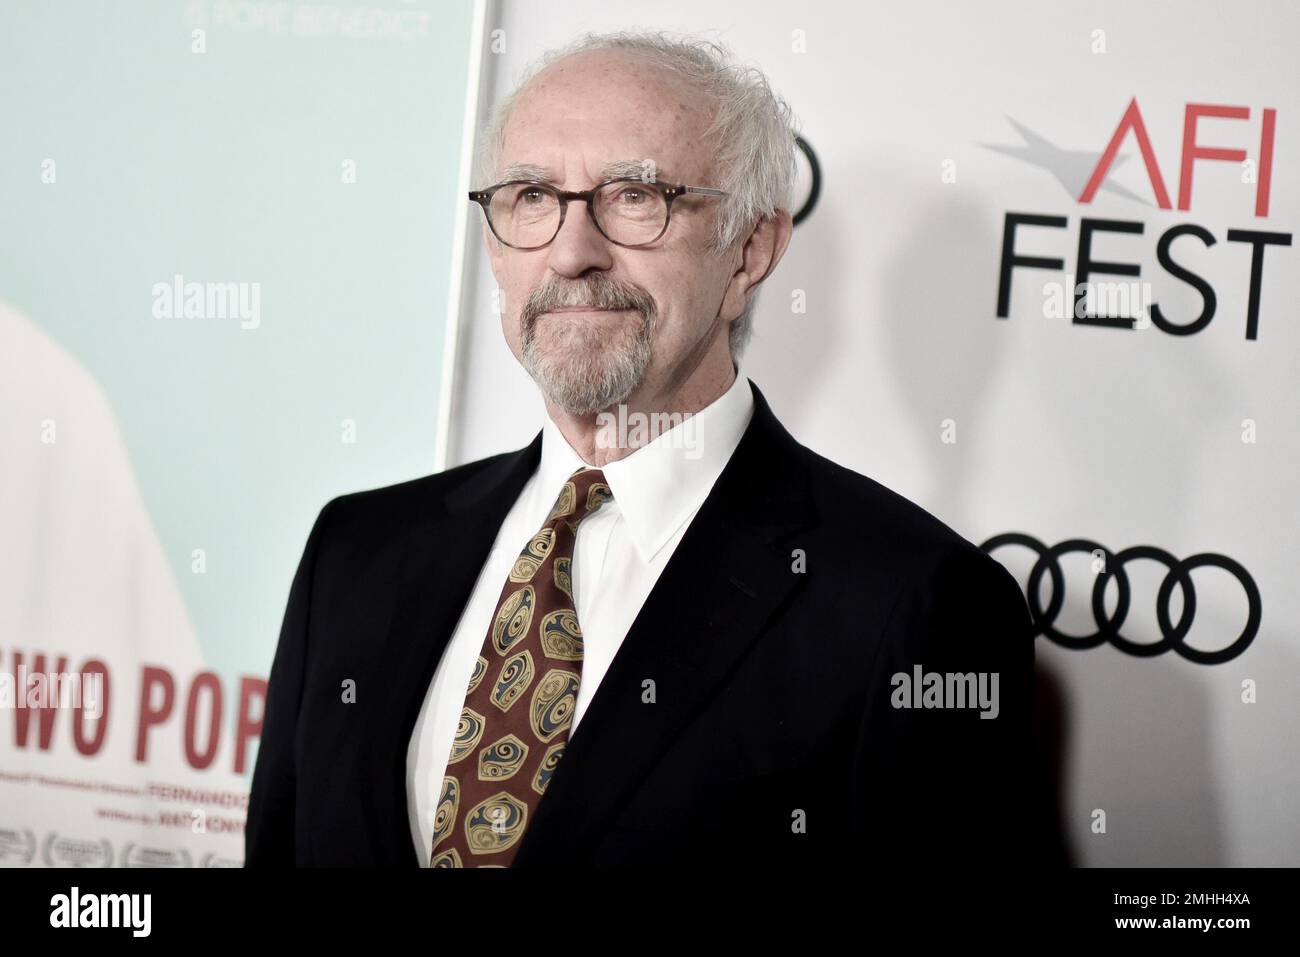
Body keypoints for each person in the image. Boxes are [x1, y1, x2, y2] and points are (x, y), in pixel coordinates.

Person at [246, 29, 1037, 868]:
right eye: (531, 197)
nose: (572, 253)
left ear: (752, 249)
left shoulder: (912, 604)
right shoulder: (357, 551)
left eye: (634, 196)